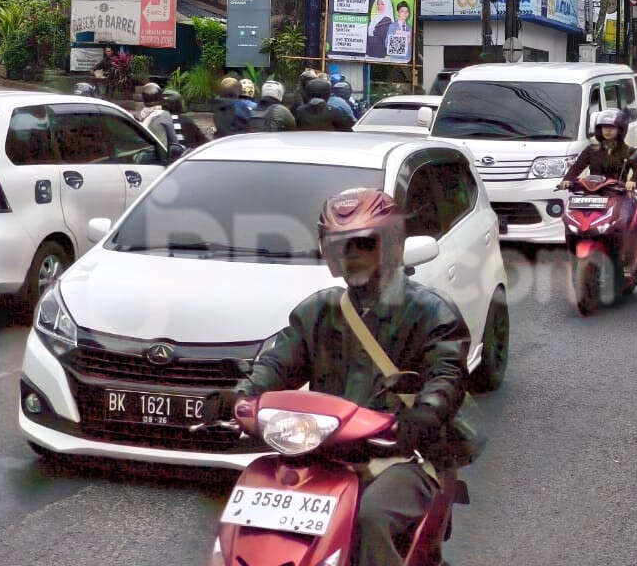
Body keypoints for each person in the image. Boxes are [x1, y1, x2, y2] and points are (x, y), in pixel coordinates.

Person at [210, 188, 473, 566]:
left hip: (403, 455)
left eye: (363, 245)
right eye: (340, 247)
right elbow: (278, 363)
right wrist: (238, 396)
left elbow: (446, 375)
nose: (351, 257)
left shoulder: (431, 312)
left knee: (370, 517)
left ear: (392, 245)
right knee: (253, 509)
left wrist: (423, 416)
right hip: (322, 450)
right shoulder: (320, 310)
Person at [558, 109, 637, 190]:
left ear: (620, 129)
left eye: (612, 127)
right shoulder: (591, 150)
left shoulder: (629, 151)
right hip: (594, 193)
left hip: (619, 193)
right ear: (599, 129)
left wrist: (633, 181)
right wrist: (567, 179)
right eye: (605, 127)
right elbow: (577, 167)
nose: (608, 130)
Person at [137, 82, 177, 147]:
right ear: (160, 99)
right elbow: (174, 143)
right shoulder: (165, 115)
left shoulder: (137, 117)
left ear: (143, 100)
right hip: (159, 155)